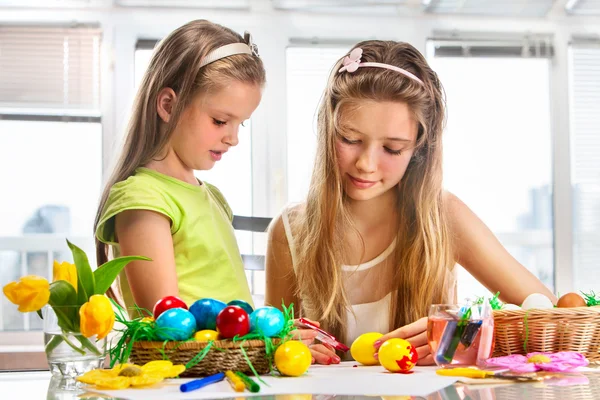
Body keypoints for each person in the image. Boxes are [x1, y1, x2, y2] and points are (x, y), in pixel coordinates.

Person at [265, 41, 556, 365]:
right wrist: (278, 344)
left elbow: (552, 313)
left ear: (419, 148)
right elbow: (268, 350)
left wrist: (464, 334)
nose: (366, 164)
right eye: (349, 139)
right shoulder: (290, 231)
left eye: (392, 148)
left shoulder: (443, 217)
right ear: (326, 128)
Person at [94, 20, 265, 316]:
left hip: (226, 363)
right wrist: (269, 342)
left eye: (241, 124)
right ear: (168, 106)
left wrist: (278, 339)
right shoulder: (143, 199)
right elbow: (170, 324)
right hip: (180, 364)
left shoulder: (212, 197)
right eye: (221, 121)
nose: (233, 138)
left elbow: (235, 314)